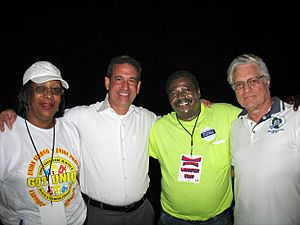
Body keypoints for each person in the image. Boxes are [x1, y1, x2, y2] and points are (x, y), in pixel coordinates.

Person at [0, 55, 157, 225]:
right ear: (107, 83)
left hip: (141, 214)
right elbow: (42, 117)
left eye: (131, 80)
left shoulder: (149, 119)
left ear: (138, 86)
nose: (125, 86)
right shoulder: (79, 117)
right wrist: (11, 113)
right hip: (99, 215)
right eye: (119, 79)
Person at [148, 70, 242, 225]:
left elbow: (259, 116)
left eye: (186, 89)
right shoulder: (158, 128)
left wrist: (291, 104)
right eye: (173, 93)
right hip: (172, 218)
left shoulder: (225, 114)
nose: (180, 96)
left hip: (218, 218)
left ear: (198, 92)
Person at [0, 61, 87, 225]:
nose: (49, 95)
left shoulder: (71, 130)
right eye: (40, 88)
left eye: (55, 90)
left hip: (75, 220)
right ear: (26, 94)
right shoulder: (5, 134)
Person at [227, 53, 300, 225]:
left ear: (266, 81)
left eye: (253, 81)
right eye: (239, 84)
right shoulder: (235, 126)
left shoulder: (295, 117)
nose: (246, 89)